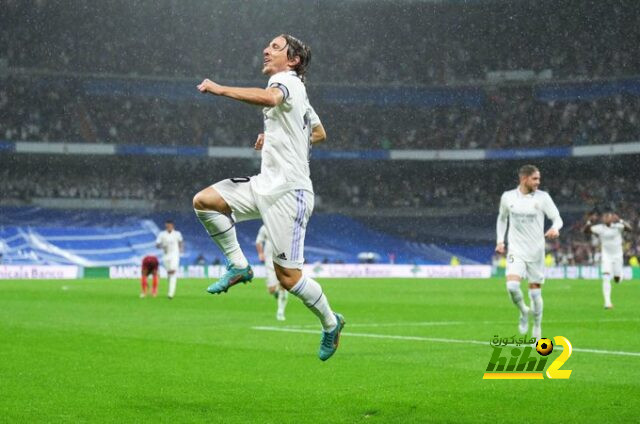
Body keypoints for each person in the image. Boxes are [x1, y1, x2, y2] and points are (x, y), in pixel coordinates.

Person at [192, 34, 344, 361]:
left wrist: (220, 89)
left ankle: (331, 324)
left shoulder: (286, 81)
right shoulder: (299, 95)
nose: (266, 50)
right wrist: (276, 136)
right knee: (204, 201)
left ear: (293, 61)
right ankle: (238, 266)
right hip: (265, 184)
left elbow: (271, 99)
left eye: (275, 47)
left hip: (289, 192)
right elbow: (319, 133)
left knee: (289, 278)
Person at [496, 165, 563, 342]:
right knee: (511, 287)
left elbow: (557, 218)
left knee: (535, 293)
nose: (538, 182)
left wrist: (555, 228)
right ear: (524, 179)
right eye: (535, 179)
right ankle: (524, 311)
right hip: (516, 250)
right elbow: (502, 218)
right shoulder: (508, 197)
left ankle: (538, 326)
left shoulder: (543, 198)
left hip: (536, 251)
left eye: (539, 179)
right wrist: (500, 241)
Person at [583, 212, 631, 309]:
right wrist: (589, 222)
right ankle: (607, 303)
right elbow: (586, 231)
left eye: (608, 217)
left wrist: (620, 220)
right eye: (604, 217)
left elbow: (629, 229)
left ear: (612, 218)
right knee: (605, 276)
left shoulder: (618, 226)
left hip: (617, 255)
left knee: (616, 279)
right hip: (606, 256)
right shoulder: (600, 228)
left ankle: (619, 276)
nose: (606, 218)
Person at [256, 224, 288, 321]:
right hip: (269, 261)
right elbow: (258, 242)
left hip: (283, 258)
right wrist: (260, 253)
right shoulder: (265, 227)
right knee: (272, 290)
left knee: (283, 285)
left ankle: (280, 312)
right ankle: (277, 292)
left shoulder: (284, 225)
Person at [155, 220, 184, 299]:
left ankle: (170, 294)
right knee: (169, 273)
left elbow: (181, 242)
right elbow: (157, 245)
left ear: (172, 225)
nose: (168, 227)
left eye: (169, 225)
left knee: (173, 271)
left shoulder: (177, 234)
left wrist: (181, 249)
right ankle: (170, 288)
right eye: (167, 226)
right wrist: (162, 246)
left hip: (175, 255)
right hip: (165, 256)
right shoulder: (162, 234)